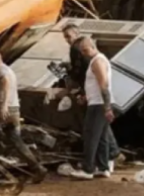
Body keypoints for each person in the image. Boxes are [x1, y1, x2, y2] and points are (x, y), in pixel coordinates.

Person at [52, 25, 120, 167]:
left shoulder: (80, 50)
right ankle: (107, 158)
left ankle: (96, 162)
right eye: (65, 37)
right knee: (100, 129)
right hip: (91, 94)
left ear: (77, 33)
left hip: (94, 96)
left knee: (93, 131)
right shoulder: (84, 52)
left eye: (68, 36)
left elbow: (82, 73)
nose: (67, 40)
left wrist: (79, 90)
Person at [0, 51, 46, 183]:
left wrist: (3, 105)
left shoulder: (0, 70)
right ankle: (37, 168)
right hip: (15, 110)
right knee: (16, 139)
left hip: (4, 109)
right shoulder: (9, 70)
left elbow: (5, 83)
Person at [70, 37, 116, 180]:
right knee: (102, 137)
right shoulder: (96, 61)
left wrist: (107, 107)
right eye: (82, 51)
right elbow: (97, 86)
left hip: (98, 104)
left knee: (90, 136)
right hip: (96, 102)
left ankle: (88, 169)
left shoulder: (97, 62)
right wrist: (87, 97)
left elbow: (104, 85)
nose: (84, 54)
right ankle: (103, 167)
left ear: (92, 46)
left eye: (85, 50)